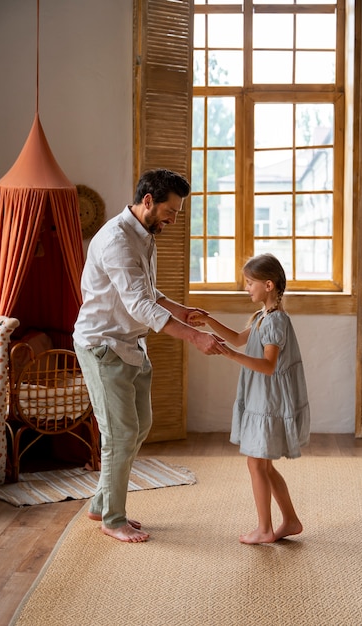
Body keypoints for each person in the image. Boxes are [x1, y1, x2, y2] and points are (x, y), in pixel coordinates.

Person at [73, 168, 225, 543]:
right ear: (148, 202)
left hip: (131, 343)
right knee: (120, 434)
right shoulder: (117, 241)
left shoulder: (144, 235)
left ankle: (100, 504)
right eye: (171, 211)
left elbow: (149, 293)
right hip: (103, 345)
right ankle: (112, 518)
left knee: (139, 426)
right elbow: (140, 305)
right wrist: (192, 336)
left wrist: (181, 310)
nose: (174, 219)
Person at [189, 253, 310, 544]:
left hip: (268, 402)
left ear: (268, 285)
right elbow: (239, 338)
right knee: (263, 465)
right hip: (260, 398)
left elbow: (268, 365)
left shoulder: (276, 322)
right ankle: (290, 521)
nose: (246, 288)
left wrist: (229, 355)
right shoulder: (262, 317)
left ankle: (265, 529)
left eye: (249, 282)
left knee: (257, 464)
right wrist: (208, 321)